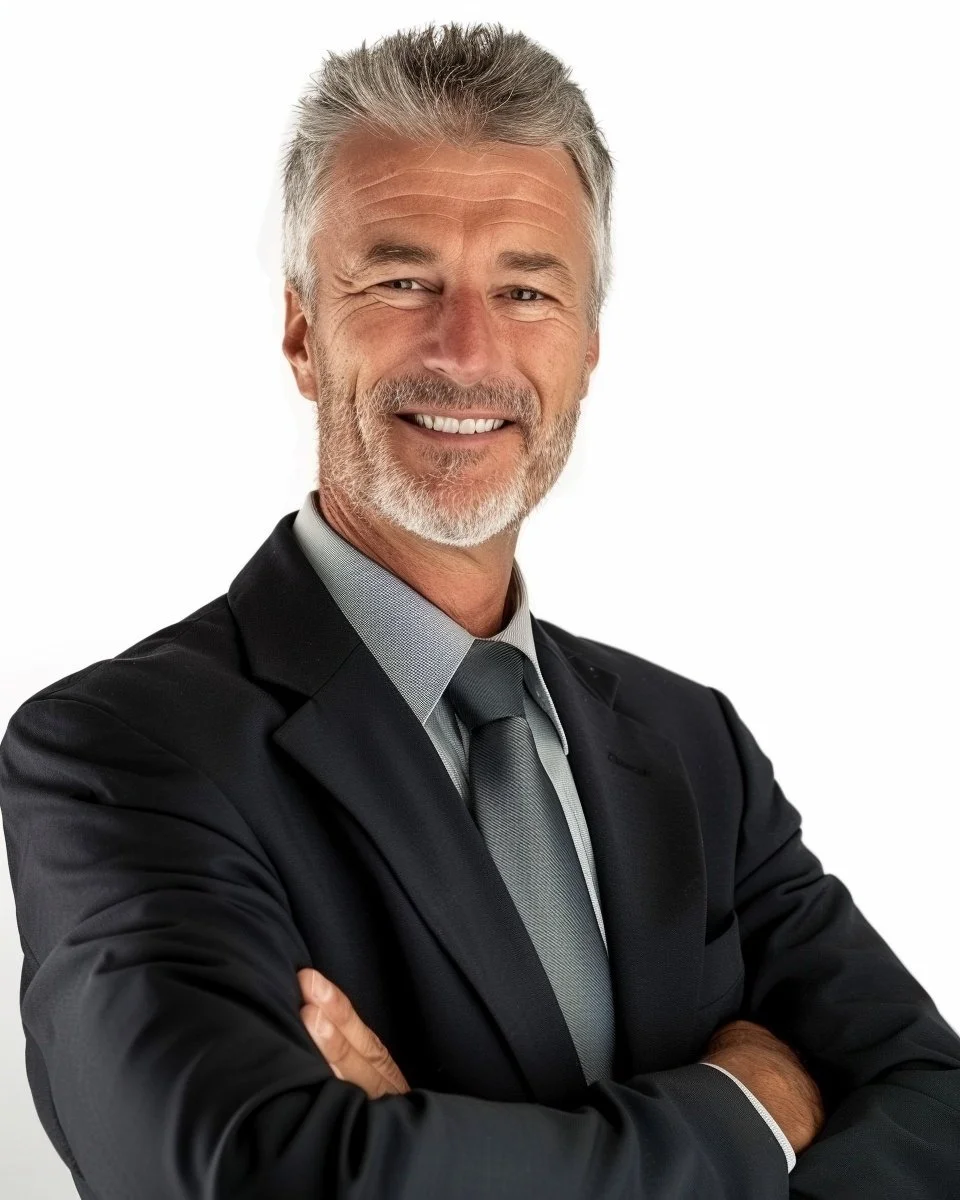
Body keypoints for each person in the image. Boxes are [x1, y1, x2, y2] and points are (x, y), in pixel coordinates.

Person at [1, 20, 958, 1199]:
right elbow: (255, 1174)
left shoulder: (693, 745)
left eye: (526, 288)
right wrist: (743, 1114)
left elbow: (934, 1106)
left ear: (590, 347)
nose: (468, 350)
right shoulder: (120, 752)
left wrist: (435, 1153)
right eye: (403, 281)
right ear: (303, 331)